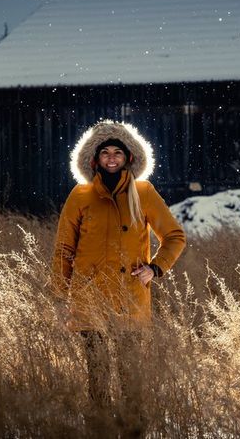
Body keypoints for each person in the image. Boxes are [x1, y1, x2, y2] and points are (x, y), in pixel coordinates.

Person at [52, 119, 186, 427]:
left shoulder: (144, 192)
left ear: (129, 158)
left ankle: (133, 430)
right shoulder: (80, 196)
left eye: (118, 153)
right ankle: (99, 431)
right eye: (105, 153)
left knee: (131, 380)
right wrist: (60, 295)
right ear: (94, 159)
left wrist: (155, 268)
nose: (112, 159)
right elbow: (63, 250)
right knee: (97, 380)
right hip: (89, 300)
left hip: (131, 299)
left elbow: (175, 236)